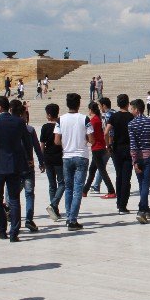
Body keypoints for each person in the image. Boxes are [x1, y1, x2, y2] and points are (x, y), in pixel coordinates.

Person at [0, 95, 33, 242]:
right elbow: (27, 142)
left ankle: (1, 230)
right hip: (15, 165)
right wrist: (29, 159)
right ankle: (14, 232)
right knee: (14, 199)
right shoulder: (19, 122)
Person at [55, 93, 93, 231]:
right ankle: (72, 220)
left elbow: (56, 141)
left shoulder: (60, 119)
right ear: (78, 104)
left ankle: (68, 217)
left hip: (67, 157)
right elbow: (92, 139)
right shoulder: (84, 119)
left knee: (69, 188)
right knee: (77, 189)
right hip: (81, 156)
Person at [12, 100, 44, 232]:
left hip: (15, 166)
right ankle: (29, 220)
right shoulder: (30, 130)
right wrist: (41, 162)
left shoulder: (12, 129)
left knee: (13, 195)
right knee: (29, 193)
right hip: (28, 165)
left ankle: (15, 219)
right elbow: (37, 148)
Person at [128, 98, 150, 224]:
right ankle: (145, 209)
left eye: (131, 109)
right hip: (148, 157)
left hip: (138, 158)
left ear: (136, 109)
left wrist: (134, 161)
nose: (131, 111)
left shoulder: (131, 124)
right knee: (145, 184)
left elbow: (133, 144)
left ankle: (143, 210)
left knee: (142, 184)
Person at [107, 94, 134, 215]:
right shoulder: (131, 117)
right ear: (128, 104)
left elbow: (106, 132)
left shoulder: (114, 116)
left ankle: (119, 203)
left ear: (118, 104)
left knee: (119, 176)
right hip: (129, 149)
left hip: (116, 150)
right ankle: (123, 206)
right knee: (126, 178)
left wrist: (108, 144)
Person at [83, 101, 115, 201]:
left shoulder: (93, 121)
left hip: (97, 148)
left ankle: (111, 191)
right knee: (92, 169)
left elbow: (89, 135)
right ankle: (85, 190)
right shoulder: (98, 119)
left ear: (90, 110)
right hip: (99, 147)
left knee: (102, 170)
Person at [40, 103, 65, 221]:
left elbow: (42, 145)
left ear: (49, 115)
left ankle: (54, 208)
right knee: (62, 183)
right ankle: (54, 206)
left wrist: (41, 160)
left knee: (52, 184)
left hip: (48, 158)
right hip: (58, 158)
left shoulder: (45, 127)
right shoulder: (60, 126)